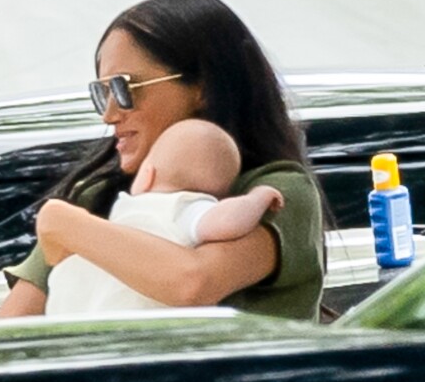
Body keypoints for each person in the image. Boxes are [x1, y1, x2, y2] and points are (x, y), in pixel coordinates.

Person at [0, 0, 325, 321]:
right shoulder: (96, 197)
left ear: (203, 88)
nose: (109, 114)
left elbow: (193, 284)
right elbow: (6, 334)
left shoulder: (274, 193)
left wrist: (65, 225)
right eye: (102, 93)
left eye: (125, 89)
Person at [43, 118, 284, 315]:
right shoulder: (184, 210)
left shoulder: (161, 208)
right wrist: (255, 199)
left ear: (147, 174)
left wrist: (256, 198)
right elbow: (226, 222)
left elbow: (226, 223)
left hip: (83, 311)